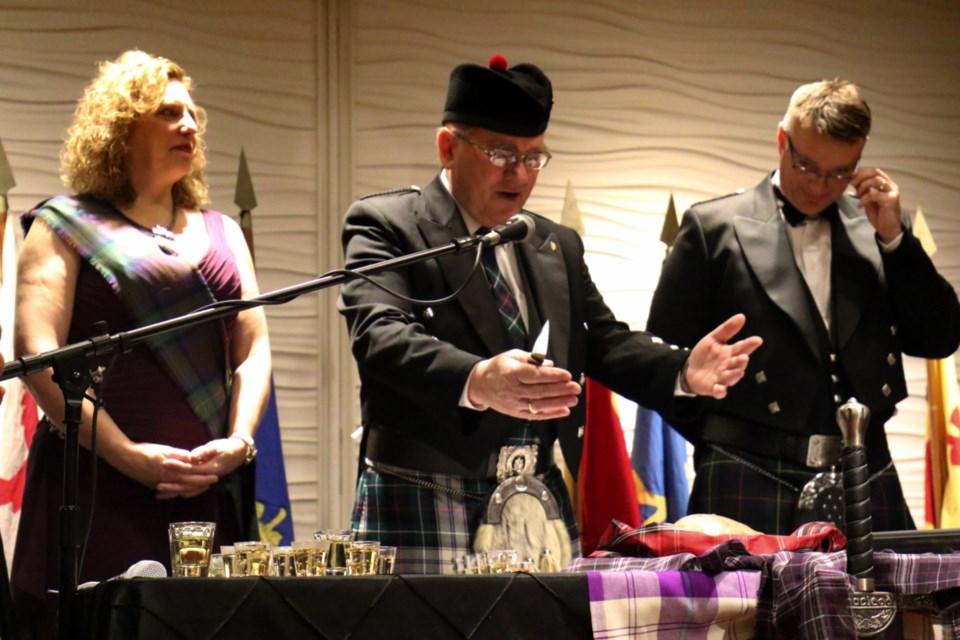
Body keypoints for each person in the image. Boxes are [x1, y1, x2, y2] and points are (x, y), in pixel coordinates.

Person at [338, 55, 762, 574]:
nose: (520, 173)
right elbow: (379, 335)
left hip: (537, 496)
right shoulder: (389, 225)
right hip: (425, 492)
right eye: (500, 153)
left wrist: (679, 371)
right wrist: (476, 378)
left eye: (534, 156)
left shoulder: (554, 243)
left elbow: (602, 342)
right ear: (448, 147)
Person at [11, 50, 271, 633]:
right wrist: (130, 457)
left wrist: (240, 441)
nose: (190, 125)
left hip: (206, 487)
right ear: (123, 128)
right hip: (99, 486)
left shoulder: (222, 230)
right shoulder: (62, 224)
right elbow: (39, 359)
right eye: (168, 112)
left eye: (192, 113)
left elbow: (253, 349)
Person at [647, 79, 960, 535]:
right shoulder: (712, 227)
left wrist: (895, 241)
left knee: (884, 606)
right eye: (808, 166)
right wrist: (722, 440)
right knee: (743, 609)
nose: (820, 186)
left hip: (865, 467)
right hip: (747, 467)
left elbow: (939, 338)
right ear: (782, 140)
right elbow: (669, 358)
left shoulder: (880, 228)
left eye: (840, 173)